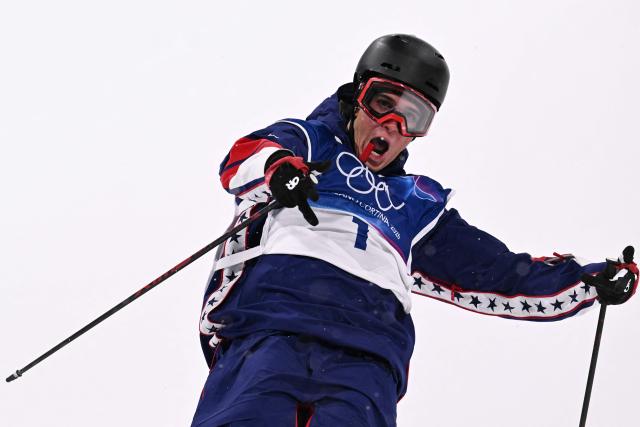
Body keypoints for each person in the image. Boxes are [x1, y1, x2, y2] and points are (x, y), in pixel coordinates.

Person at [191, 34, 638, 427]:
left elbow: (501, 273)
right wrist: (281, 170)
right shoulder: (312, 145)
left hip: (367, 355)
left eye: (413, 118)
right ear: (356, 96)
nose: (392, 126)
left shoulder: (418, 205)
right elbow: (247, 154)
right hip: (274, 326)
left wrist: (587, 281)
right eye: (382, 103)